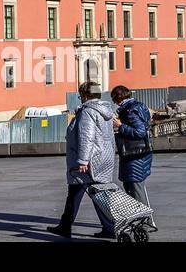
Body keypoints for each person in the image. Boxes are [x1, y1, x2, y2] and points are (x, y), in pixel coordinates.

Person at [48, 81, 117, 239]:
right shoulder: (106, 110)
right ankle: (109, 228)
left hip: (89, 162)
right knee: (97, 194)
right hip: (103, 158)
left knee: (76, 193)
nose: (80, 98)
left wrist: (83, 161)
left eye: (81, 95)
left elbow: (87, 138)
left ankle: (65, 227)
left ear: (86, 95)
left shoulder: (87, 112)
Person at [112, 85, 154, 218]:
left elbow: (139, 132)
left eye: (113, 99)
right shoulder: (138, 106)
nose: (113, 102)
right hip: (139, 153)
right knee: (132, 186)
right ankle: (140, 218)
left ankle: (144, 221)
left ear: (118, 98)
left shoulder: (129, 111)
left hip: (135, 154)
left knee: (136, 188)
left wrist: (120, 126)